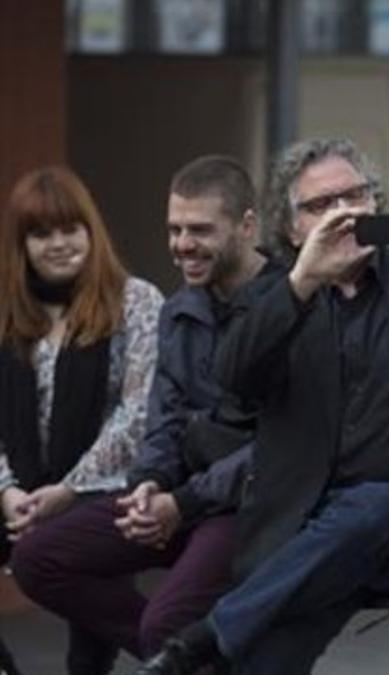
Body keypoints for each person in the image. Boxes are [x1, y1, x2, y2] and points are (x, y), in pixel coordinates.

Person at [136, 139, 389, 675]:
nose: (344, 212)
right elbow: (235, 379)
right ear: (292, 229)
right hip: (318, 541)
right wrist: (303, 284)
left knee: (369, 510)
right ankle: (222, 642)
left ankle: (207, 635)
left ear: (376, 203)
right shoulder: (275, 296)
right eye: (321, 205)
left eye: (355, 196)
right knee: (262, 659)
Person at [10, 156, 273, 666]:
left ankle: (180, 649)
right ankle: (195, 657)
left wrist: (182, 503)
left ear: (246, 226)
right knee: (39, 559)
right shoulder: (182, 311)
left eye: (199, 229)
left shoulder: (289, 305)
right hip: (174, 496)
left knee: (166, 625)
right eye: (174, 229)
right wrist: (149, 484)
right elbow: (163, 419)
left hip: (246, 504)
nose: (181, 244)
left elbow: (277, 447)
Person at [0, 166, 163, 674]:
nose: (60, 244)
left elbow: (138, 413)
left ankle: (183, 656)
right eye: (41, 233)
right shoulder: (5, 311)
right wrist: (7, 490)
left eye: (71, 229)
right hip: (18, 490)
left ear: (92, 231)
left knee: (87, 586)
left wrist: (69, 490)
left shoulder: (136, 301)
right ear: (21, 243)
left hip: (103, 487)